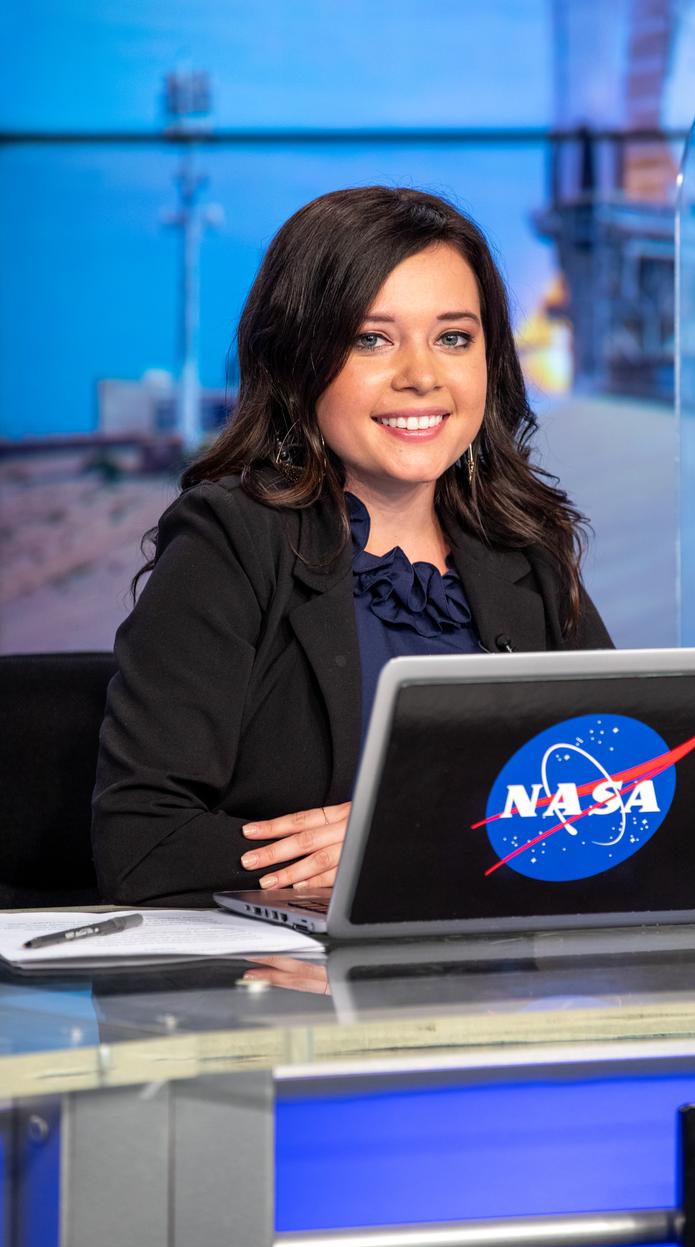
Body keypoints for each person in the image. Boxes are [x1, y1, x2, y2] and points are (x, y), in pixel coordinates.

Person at [92, 185, 612, 907]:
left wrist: (425, 837)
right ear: (300, 356)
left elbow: (622, 791)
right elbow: (141, 841)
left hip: (505, 981)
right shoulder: (230, 541)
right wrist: (402, 851)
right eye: (372, 339)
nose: (422, 376)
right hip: (294, 998)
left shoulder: (524, 545)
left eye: (453, 338)